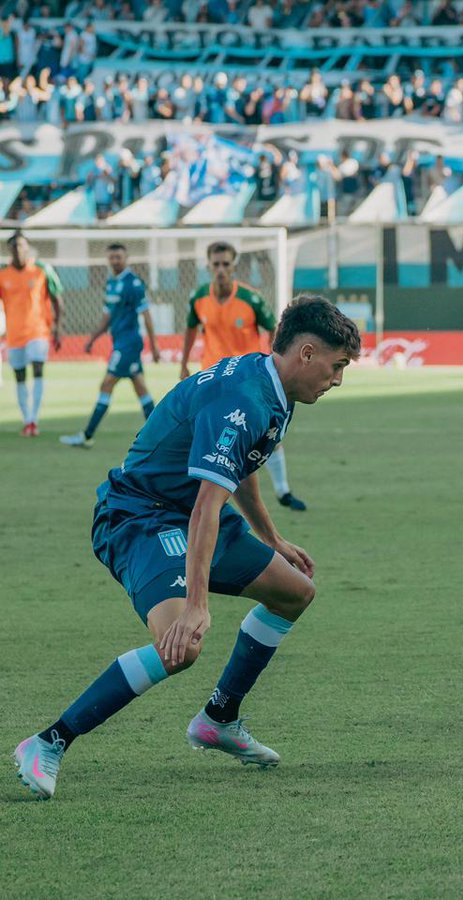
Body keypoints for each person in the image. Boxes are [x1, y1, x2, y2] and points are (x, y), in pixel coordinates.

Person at [13, 297, 360, 800]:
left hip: (188, 510)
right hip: (140, 515)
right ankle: (48, 741)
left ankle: (219, 718)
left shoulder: (272, 388)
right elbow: (204, 507)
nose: (338, 379)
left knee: (294, 592)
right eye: (338, 366)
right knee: (181, 644)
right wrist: (198, 604)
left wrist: (272, 538)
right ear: (307, 353)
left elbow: (239, 468)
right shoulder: (245, 398)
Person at [181, 241, 307, 512]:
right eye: (216, 264)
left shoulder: (250, 299)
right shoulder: (199, 297)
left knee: (264, 437)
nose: (221, 269)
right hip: (213, 380)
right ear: (208, 266)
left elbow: (275, 329)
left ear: (234, 266)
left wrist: (273, 363)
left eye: (226, 264)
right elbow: (191, 329)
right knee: (204, 437)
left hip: (247, 382)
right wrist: (183, 363)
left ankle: (283, 491)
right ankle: (197, 496)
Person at [61, 243, 161, 448]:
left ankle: (87, 435)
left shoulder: (133, 284)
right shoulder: (110, 283)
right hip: (121, 342)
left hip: (128, 344)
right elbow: (107, 317)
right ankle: (161, 436)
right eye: (112, 257)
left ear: (126, 258)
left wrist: (155, 345)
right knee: (140, 387)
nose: (115, 261)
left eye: (118, 257)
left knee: (106, 384)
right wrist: (92, 339)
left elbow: (147, 314)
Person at [0, 232, 63, 436]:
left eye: (21, 245)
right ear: (9, 249)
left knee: (37, 369)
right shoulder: (3, 274)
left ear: (27, 248)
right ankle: (26, 419)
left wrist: (58, 327)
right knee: (19, 376)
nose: (18, 249)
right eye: (14, 246)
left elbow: (57, 299)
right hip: (14, 334)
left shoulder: (42, 270)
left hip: (39, 331)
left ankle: (34, 419)